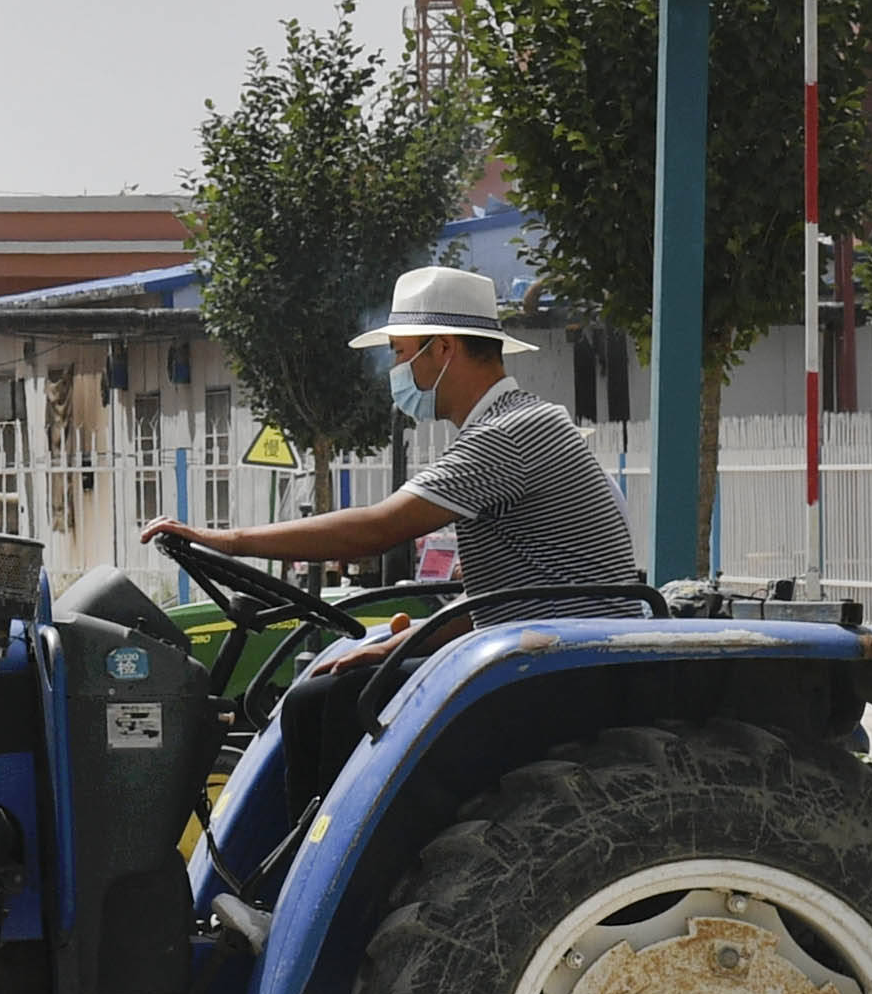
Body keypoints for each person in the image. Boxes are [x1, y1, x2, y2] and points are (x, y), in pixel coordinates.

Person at [145, 262, 640, 810]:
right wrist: (406, 639)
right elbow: (509, 597)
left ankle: (334, 884)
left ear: (443, 349)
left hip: (556, 668)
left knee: (325, 702)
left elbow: (377, 529)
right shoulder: (514, 424)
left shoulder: (509, 434)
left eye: (403, 354)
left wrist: (230, 540)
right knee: (319, 693)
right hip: (537, 648)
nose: (397, 370)